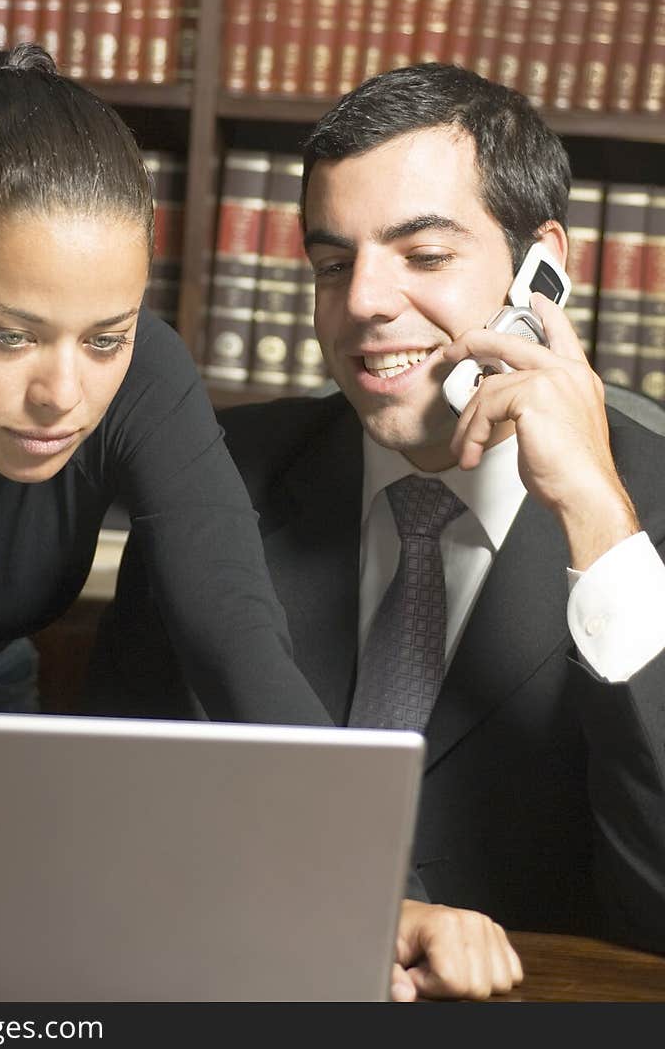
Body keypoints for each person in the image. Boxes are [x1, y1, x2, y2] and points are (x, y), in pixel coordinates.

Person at [0, 46, 517, 1003]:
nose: (63, 394)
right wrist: (9, 876)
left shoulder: (142, 374)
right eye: (10, 335)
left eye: (105, 337)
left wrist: (382, 890)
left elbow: (237, 646)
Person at [84, 61, 665, 965]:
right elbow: (111, 813)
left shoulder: (642, 514)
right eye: (332, 263)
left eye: (425, 256)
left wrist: (597, 521)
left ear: (540, 268)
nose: (361, 304)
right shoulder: (214, 477)